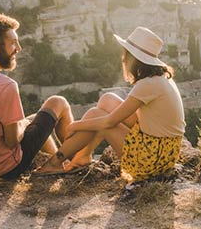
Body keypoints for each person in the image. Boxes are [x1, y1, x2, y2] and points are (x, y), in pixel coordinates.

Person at [36, 26, 185, 182]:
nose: (123, 57)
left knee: (98, 116)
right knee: (107, 99)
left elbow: (109, 121)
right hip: (163, 150)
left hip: (152, 159)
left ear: (133, 58)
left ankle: (56, 161)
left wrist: (74, 126)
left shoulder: (148, 84)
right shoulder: (160, 78)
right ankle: (82, 156)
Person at [0, 13, 74, 180]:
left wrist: (25, 122)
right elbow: (12, 141)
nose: (19, 48)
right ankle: (76, 162)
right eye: (13, 43)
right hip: (5, 168)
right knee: (58, 102)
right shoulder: (6, 86)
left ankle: (57, 164)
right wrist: (23, 123)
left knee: (33, 120)